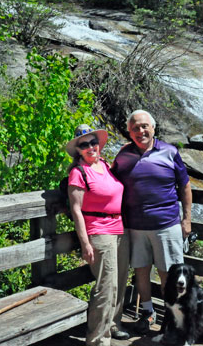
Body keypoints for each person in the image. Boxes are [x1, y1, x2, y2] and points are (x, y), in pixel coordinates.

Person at [112, 110, 192, 334]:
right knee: (141, 271)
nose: (140, 131)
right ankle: (147, 313)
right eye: (135, 128)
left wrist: (187, 219)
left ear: (153, 128)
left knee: (169, 274)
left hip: (166, 225)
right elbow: (110, 182)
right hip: (134, 226)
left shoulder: (169, 152)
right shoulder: (123, 156)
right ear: (129, 132)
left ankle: (172, 317)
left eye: (144, 126)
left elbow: (185, 186)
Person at [65, 124, 130, 346]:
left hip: (120, 229)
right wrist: (85, 243)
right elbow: (76, 210)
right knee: (106, 286)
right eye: (84, 145)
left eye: (93, 142)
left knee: (120, 282)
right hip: (99, 232)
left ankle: (113, 324)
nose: (91, 147)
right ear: (78, 150)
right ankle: (97, 340)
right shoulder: (78, 172)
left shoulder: (105, 165)